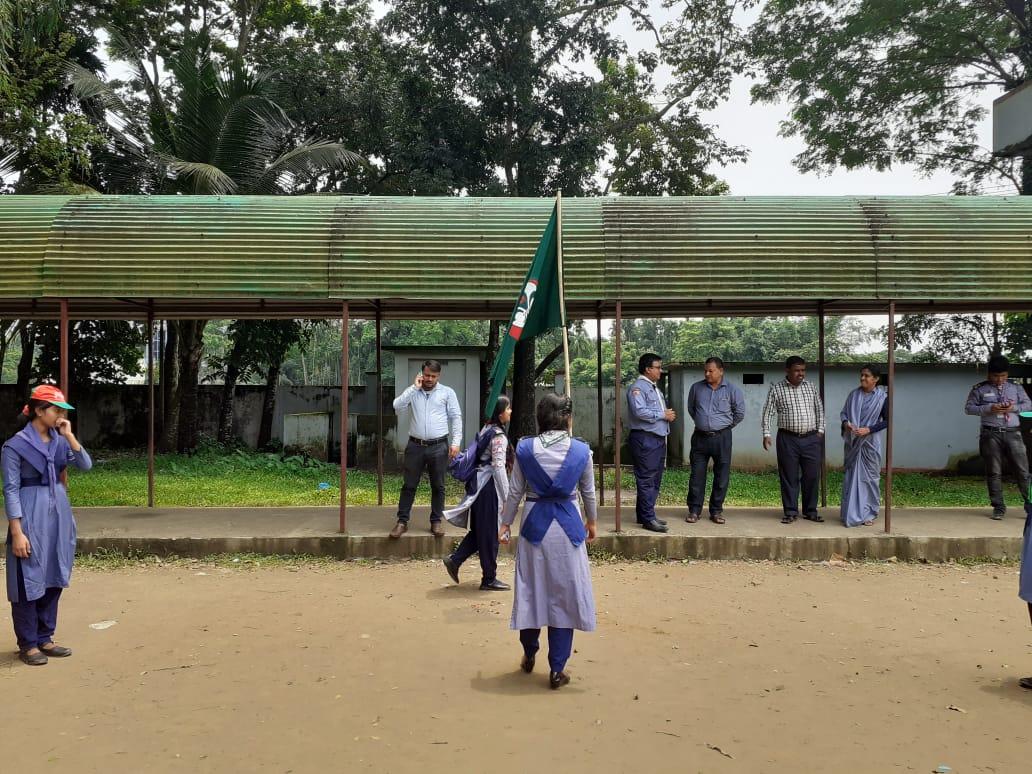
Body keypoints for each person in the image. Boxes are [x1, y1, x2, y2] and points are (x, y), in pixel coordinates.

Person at [499, 393, 597, 690]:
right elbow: (588, 492)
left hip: (535, 527)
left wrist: (505, 523)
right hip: (568, 529)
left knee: (531, 589)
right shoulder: (581, 451)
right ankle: (557, 668)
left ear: (540, 418)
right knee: (564, 595)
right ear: (567, 418)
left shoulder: (525, 449)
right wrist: (592, 522)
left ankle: (530, 651)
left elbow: (515, 491)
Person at [3, 385, 92, 666]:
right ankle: (28, 643)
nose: (60, 415)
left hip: (58, 513)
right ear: (40, 411)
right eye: (56, 410)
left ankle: (45, 636)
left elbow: (85, 465)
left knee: (55, 570)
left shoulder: (60, 441)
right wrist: (17, 532)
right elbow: (10, 489)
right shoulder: (15, 446)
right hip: (30, 513)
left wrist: (69, 435)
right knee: (27, 576)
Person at [442, 396, 512, 591]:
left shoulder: (486, 429)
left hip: (478, 486)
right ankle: (489, 579)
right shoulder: (498, 436)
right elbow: (498, 467)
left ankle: (455, 560)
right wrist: (508, 498)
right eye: (508, 408)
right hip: (489, 488)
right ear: (500, 413)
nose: (510, 411)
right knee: (489, 534)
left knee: (479, 531)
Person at [390, 359, 462, 538]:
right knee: (409, 485)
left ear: (439, 376)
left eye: (433, 376)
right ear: (421, 374)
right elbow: (397, 406)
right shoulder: (413, 392)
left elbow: (456, 417)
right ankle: (402, 522)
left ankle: (436, 521)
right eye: (427, 375)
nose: (429, 379)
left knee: (438, 485)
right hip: (415, 445)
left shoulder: (447, 393)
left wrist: (456, 442)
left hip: (439, 446)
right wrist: (413, 388)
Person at [964, 355, 1032, 520]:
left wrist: (1013, 408)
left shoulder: (1016, 387)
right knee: (994, 472)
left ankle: (1030, 506)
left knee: (1023, 471)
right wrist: (989, 408)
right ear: (989, 374)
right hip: (990, 434)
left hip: (1013, 433)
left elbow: (1028, 405)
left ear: (1007, 374)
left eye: (1003, 375)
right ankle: (998, 507)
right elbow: (969, 408)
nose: (999, 379)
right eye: (995, 376)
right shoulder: (979, 389)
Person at [761, 356, 826, 524]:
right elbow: (768, 413)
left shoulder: (811, 387)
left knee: (812, 476)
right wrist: (766, 434)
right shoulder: (777, 389)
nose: (801, 373)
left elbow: (819, 410)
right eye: (797, 370)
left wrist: (820, 431)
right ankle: (790, 512)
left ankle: (810, 511)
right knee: (789, 476)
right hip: (787, 439)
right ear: (787, 370)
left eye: (803, 370)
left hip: (811, 439)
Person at [685, 357, 745, 525]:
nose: (707, 374)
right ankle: (694, 510)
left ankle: (716, 511)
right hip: (700, 438)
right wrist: (703, 423)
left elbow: (739, 413)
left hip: (722, 438)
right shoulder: (696, 388)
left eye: (710, 371)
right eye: (705, 371)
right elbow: (691, 409)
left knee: (721, 476)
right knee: (696, 475)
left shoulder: (732, 390)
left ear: (721, 371)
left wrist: (723, 427)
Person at [626, 352, 674, 533]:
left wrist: (666, 416)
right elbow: (639, 411)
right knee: (647, 479)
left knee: (654, 479)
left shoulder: (654, 388)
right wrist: (663, 415)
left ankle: (645, 514)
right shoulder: (638, 388)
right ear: (647, 369)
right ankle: (648, 518)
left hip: (657, 439)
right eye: (658, 367)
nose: (660, 371)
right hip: (645, 439)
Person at [839, 365, 889, 527]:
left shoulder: (883, 397)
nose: (862, 378)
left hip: (870, 444)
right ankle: (849, 512)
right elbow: (844, 413)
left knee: (870, 479)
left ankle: (869, 513)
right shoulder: (853, 395)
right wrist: (846, 423)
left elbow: (887, 421)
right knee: (851, 478)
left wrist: (869, 429)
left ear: (876, 379)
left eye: (866, 376)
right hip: (854, 443)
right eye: (861, 375)